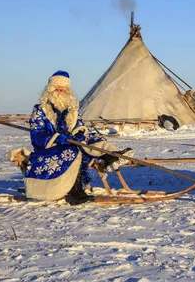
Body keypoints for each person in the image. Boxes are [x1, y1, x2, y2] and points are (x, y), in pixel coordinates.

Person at [25, 70, 133, 204]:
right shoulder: (41, 109)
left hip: (72, 141)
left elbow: (80, 126)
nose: (60, 90)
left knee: (93, 138)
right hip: (50, 148)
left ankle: (112, 155)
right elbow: (36, 135)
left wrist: (80, 134)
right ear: (49, 89)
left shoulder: (72, 109)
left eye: (63, 88)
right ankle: (75, 191)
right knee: (72, 151)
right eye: (57, 88)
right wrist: (58, 138)